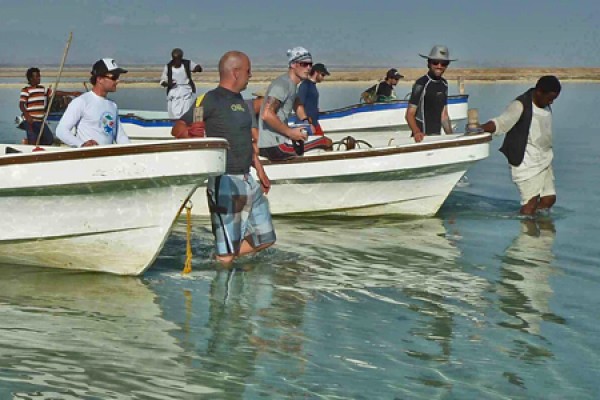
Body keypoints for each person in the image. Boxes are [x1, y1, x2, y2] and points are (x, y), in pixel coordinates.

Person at [171, 51, 275, 264]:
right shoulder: (209, 99)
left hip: (247, 179)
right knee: (226, 254)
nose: (251, 75)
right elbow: (178, 127)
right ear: (235, 72)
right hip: (225, 180)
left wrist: (260, 169)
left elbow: (246, 139)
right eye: (248, 71)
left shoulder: (241, 102)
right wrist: (189, 133)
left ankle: (223, 257)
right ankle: (223, 272)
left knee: (266, 238)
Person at [479, 76, 561, 216]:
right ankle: (526, 233)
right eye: (550, 98)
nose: (551, 102)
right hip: (526, 161)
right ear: (539, 92)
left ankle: (542, 231)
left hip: (544, 159)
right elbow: (500, 123)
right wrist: (479, 128)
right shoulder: (520, 105)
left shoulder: (544, 104)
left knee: (548, 199)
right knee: (530, 203)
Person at [258, 46, 333, 161]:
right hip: (274, 146)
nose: (308, 68)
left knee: (310, 138)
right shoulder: (282, 85)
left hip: (278, 141)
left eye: (310, 64)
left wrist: (306, 121)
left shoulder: (292, 85)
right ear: (293, 64)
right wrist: (290, 132)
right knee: (325, 141)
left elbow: (297, 103)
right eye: (304, 64)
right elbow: (266, 114)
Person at [56, 58, 130, 147]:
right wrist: (82, 144)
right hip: (87, 157)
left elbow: (120, 136)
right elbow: (61, 131)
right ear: (100, 79)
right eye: (114, 77)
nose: (118, 81)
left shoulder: (113, 105)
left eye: (118, 77)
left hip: (107, 158)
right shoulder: (81, 101)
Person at [19, 67, 82, 145]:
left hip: (40, 121)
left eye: (39, 76)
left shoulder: (42, 89)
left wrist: (72, 93)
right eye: (37, 76)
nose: (39, 78)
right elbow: (21, 105)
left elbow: (55, 93)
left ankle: (38, 147)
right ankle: (30, 146)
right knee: (33, 139)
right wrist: (27, 115)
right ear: (31, 78)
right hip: (31, 121)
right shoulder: (26, 90)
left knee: (49, 139)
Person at [406, 45, 456, 142]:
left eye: (444, 64)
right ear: (428, 63)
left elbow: (444, 115)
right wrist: (416, 132)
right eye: (435, 62)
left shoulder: (444, 84)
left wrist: (451, 137)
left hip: (436, 138)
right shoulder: (421, 83)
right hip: (421, 139)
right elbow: (409, 114)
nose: (439, 66)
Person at [159, 48, 203, 119]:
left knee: (186, 112)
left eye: (178, 58)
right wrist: (168, 84)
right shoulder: (168, 67)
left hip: (186, 92)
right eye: (175, 59)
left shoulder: (187, 63)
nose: (177, 61)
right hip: (174, 93)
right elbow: (162, 81)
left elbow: (199, 68)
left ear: (181, 57)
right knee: (174, 113)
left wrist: (197, 68)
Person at [297, 63, 330, 135]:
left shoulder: (312, 86)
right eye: (322, 75)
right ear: (316, 72)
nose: (323, 78)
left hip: (314, 122)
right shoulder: (305, 85)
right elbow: (299, 105)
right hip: (308, 124)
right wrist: (307, 123)